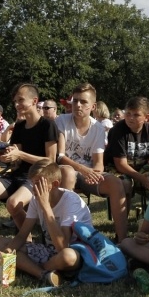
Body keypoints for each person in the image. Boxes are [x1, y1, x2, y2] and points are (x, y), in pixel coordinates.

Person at [0, 83, 58, 245]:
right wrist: (9, 157)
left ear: (34, 101)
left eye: (21, 100)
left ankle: (28, 242)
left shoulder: (47, 125)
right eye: (15, 101)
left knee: (13, 203)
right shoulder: (18, 126)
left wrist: (20, 154)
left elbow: (50, 161)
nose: (17, 104)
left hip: (38, 177)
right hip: (17, 175)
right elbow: (16, 155)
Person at [0, 160, 90, 286]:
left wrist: (46, 207)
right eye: (32, 183)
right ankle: (44, 274)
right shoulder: (36, 199)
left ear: (55, 184)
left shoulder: (71, 202)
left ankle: (33, 267)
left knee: (68, 256)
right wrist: (7, 252)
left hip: (75, 253)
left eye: (38, 184)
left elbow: (63, 247)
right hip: (49, 251)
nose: (34, 189)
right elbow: (22, 235)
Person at [55, 83, 129, 242]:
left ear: (93, 106)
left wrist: (94, 174)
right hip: (66, 171)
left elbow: (98, 163)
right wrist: (83, 170)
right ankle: (65, 239)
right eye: (75, 101)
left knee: (116, 183)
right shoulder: (61, 120)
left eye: (83, 102)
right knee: (67, 172)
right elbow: (60, 157)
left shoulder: (98, 128)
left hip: (87, 174)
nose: (78, 105)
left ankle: (123, 241)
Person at [104, 96, 149, 196]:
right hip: (117, 168)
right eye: (128, 113)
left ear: (146, 117)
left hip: (141, 168)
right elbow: (120, 164)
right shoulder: (118, 130)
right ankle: (123, 207)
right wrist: (141, 178)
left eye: (136, 115)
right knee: (125, 183)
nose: (131, 118)